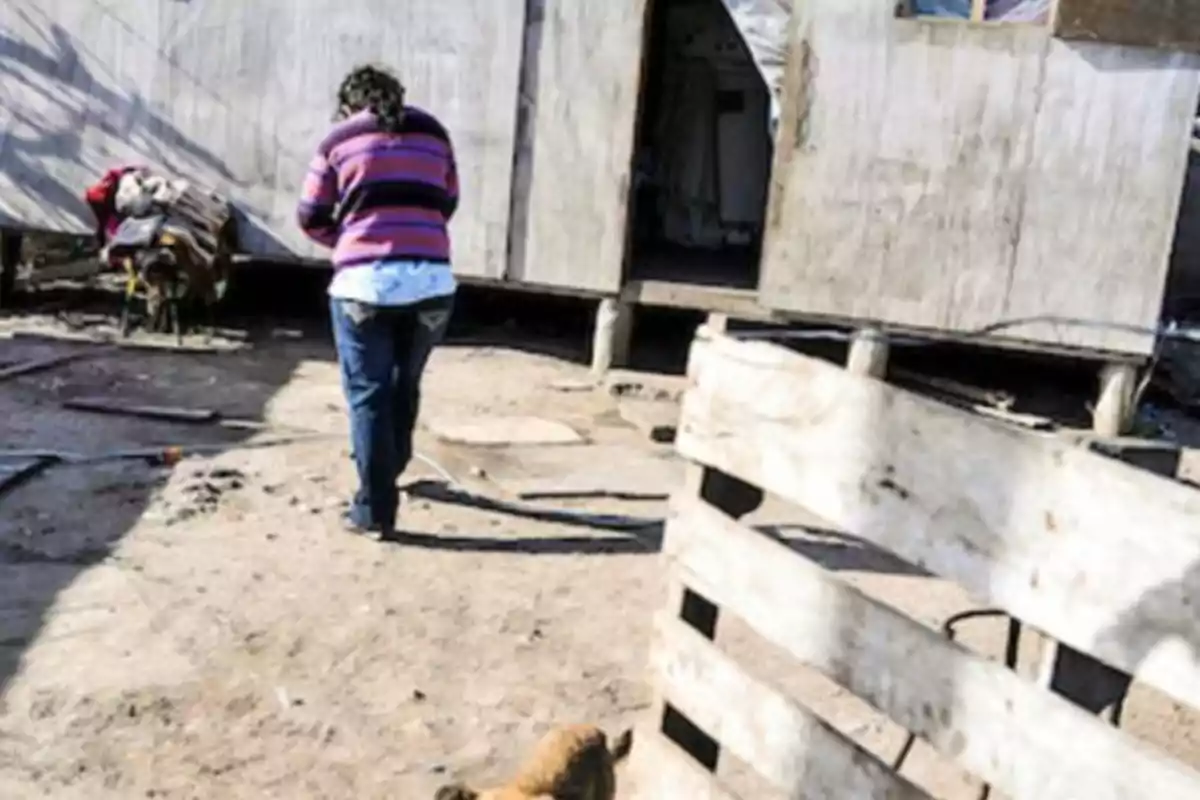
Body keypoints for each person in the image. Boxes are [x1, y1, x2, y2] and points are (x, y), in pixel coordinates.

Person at [297, 64, 459, 540]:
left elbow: (309, 214)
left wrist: (349, 239)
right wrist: (416, 230)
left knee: (369, 395)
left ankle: (375, 511)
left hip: (363, 286)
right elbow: (448, 201)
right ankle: (392, 466)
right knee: (404, 383)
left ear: (350, 104)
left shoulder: (338, 140)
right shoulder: (434, 133)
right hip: (432, 280)